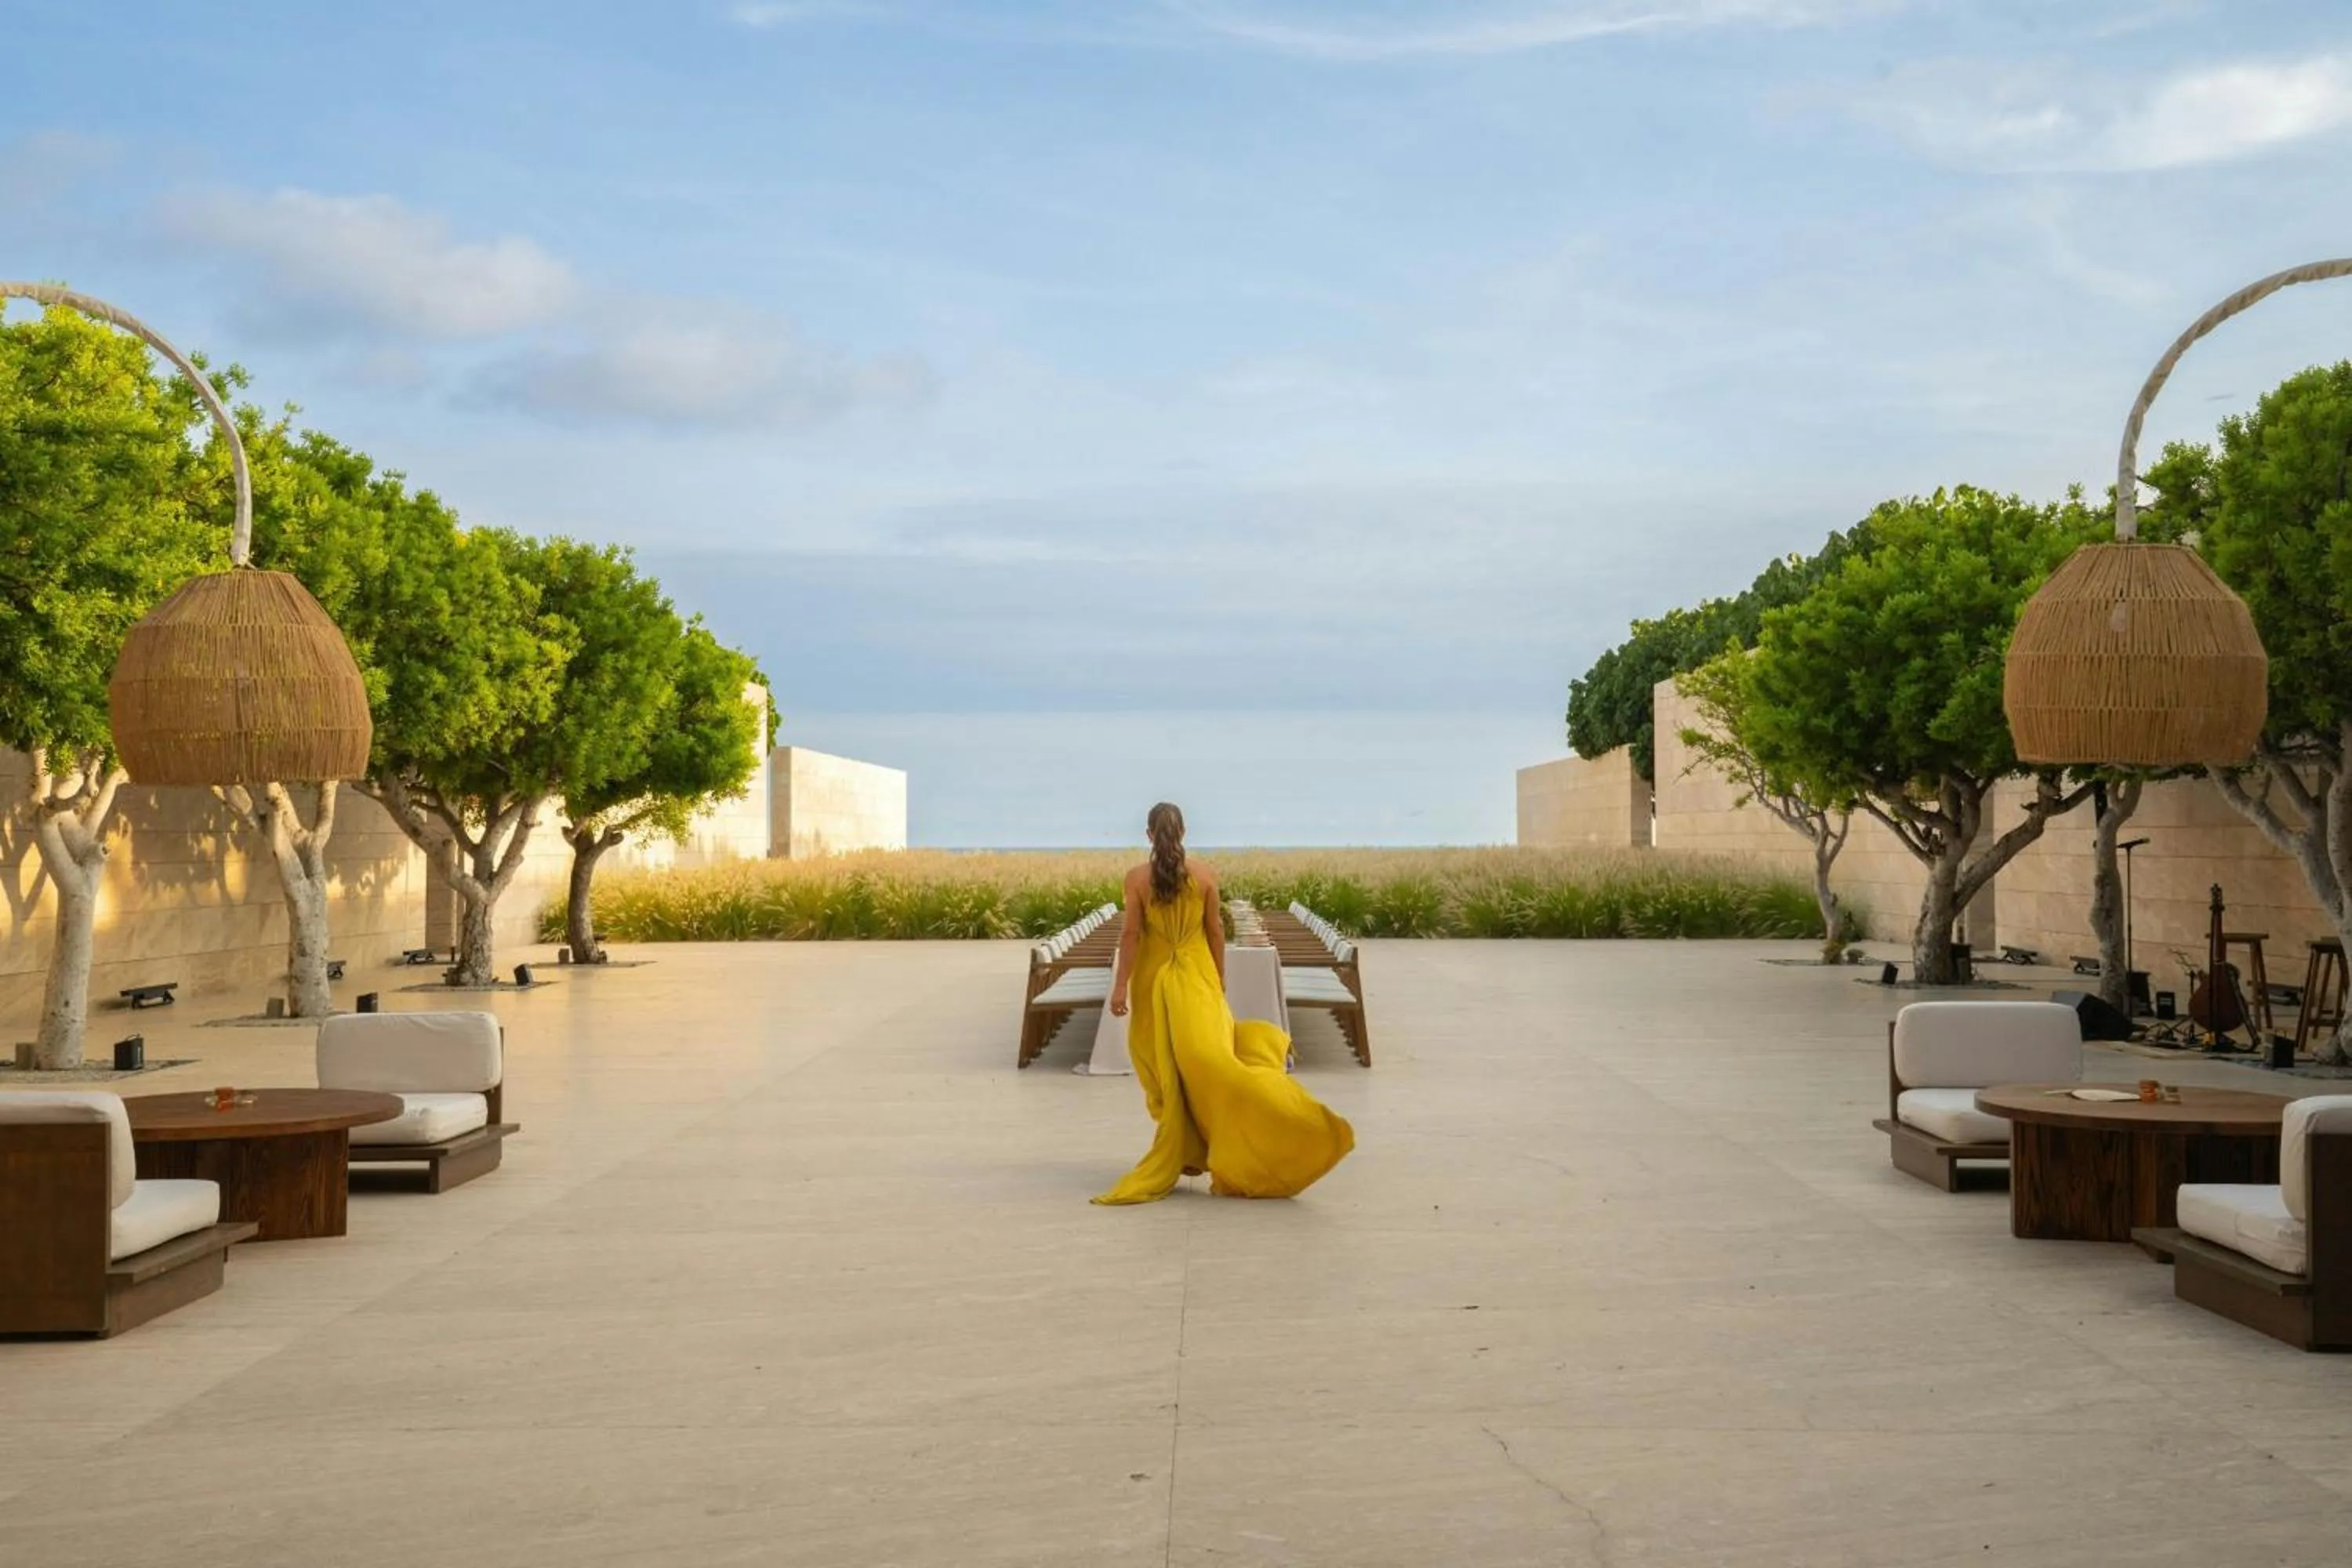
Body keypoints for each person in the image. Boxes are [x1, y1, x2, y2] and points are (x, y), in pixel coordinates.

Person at [1093, 803, 1355, 1205]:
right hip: (1197, 978)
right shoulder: (1205, 875)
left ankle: (1196, 1146)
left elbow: (1130, 937)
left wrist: (1120, 988)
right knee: (1207, 1062)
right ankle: (1202, 1147)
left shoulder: (1136, 879)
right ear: (1183, 832)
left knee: (1166, 1068)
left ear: (1148, 835)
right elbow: (1216, 931)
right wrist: (1218, 980)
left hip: (1154, 981)